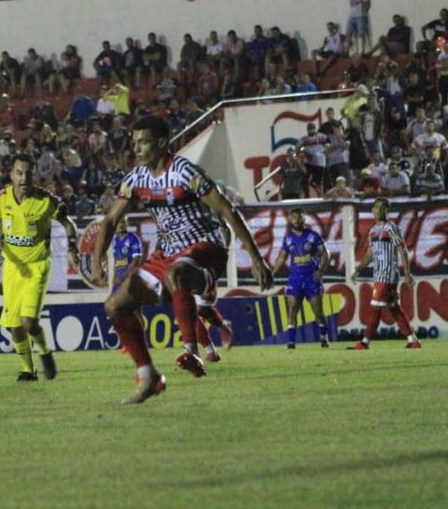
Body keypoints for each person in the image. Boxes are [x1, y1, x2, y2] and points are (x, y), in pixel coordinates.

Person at [91, 115, 272, 404]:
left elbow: (226, 210)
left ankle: (192, 353)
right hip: (169, 252)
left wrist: (256, 258)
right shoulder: (136, 178)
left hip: (207, 248)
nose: (137, 148)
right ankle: (149, 376)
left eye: (144, 142)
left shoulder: (185, 172)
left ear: (162, 143)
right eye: (134, 142)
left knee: (176, 273)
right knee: (115, 306)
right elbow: (111, 219)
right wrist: (97, 258)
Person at [0, 154, 79, 382]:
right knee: (14, 325)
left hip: (37, 266)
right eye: (19, 173)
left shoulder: (46, 200)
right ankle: (27, 370)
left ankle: (45, 353)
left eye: (28, 173)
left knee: (29, 322)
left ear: (34, 176)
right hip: (12, 267)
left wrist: (72, 249)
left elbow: (68, 224)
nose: (24, 178)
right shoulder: (1, 199)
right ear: (11, 175)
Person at [350, 197, 421, 349]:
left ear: (387, 211)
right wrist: (358, 269)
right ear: (372, 210)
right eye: (377, 207)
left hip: (387, 275)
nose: (379, 210)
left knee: (375, 308)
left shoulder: (391, 228)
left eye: (383, 208)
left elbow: (403, 250)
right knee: (394, 308)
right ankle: (412, 340)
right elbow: (370, 254)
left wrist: (407, 273)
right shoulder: (373, 231)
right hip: (379, 274)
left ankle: (364, 342)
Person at [270, 208, 331, 349]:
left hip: (311, 279)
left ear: (304, 219)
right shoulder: (288, 239)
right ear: (290, 220)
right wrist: (272, 274)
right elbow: (282, 257)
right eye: (294, 217)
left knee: (318, 312)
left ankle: (323, 338)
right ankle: (291, 342)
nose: (297, 220)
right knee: (292, 310)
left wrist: (321, 271)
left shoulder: (313, 236)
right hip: (295, 279)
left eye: (300, 217)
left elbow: (326, 254)